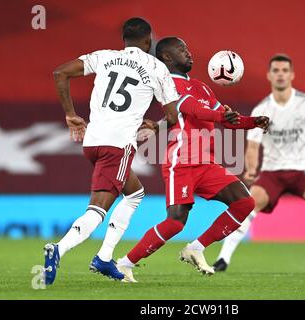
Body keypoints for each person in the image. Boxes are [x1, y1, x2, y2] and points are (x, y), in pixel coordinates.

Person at [45, 18, 241, 285]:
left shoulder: (105, 57)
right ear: (149, 41)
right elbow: (173, 115)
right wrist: (155, 124)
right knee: (98, 208)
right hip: (118, 145)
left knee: (135, 193)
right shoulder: (156, 67)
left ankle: (104, 258)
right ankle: (59, 248)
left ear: (123, 39)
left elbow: (60, 73)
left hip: (92, 141)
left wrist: (70, 115)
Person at [114, 37, 270, 283]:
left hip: (207, 164)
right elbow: (194, 110)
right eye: (181, 49)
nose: (189, 53)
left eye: (188, 48)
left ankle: (196, 248)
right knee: (176, 223)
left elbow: (227, 118)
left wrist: (253, 122)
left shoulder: (202, 86)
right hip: (182, 162)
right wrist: (221, 116)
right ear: (167, 57)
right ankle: (124, 264)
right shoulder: (168, 84)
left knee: (244, 203)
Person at [213, 54, 305, 273]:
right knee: (249, 202)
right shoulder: (262, 109)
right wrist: (251, 169)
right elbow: (253, 145)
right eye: (276, 71)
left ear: (292, 75)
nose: (280, 75)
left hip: (303, 170)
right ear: (269, 75)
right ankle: (222, 260)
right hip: (272, 172)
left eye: (284, 70)